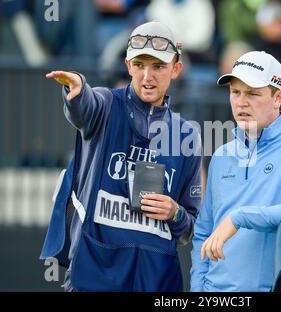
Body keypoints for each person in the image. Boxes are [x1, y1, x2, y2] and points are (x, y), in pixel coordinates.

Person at [40, 21, 202, 292]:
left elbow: (190, 227)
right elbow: (85, 106)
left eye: (158, 67)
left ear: (176, 69)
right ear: (128, 66)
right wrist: (76, 91)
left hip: (157, 279)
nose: (147, 76)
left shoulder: (187, 135)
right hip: (94, 275)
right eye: (139, 65)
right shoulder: (105, 105)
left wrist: (174, 214)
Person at [190, 51, 281, 291]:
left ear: (278, 97)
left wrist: (240, 217)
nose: (241, 102)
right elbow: (203, 234)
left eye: (252, 93)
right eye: (235, 92)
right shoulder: (221, 155)